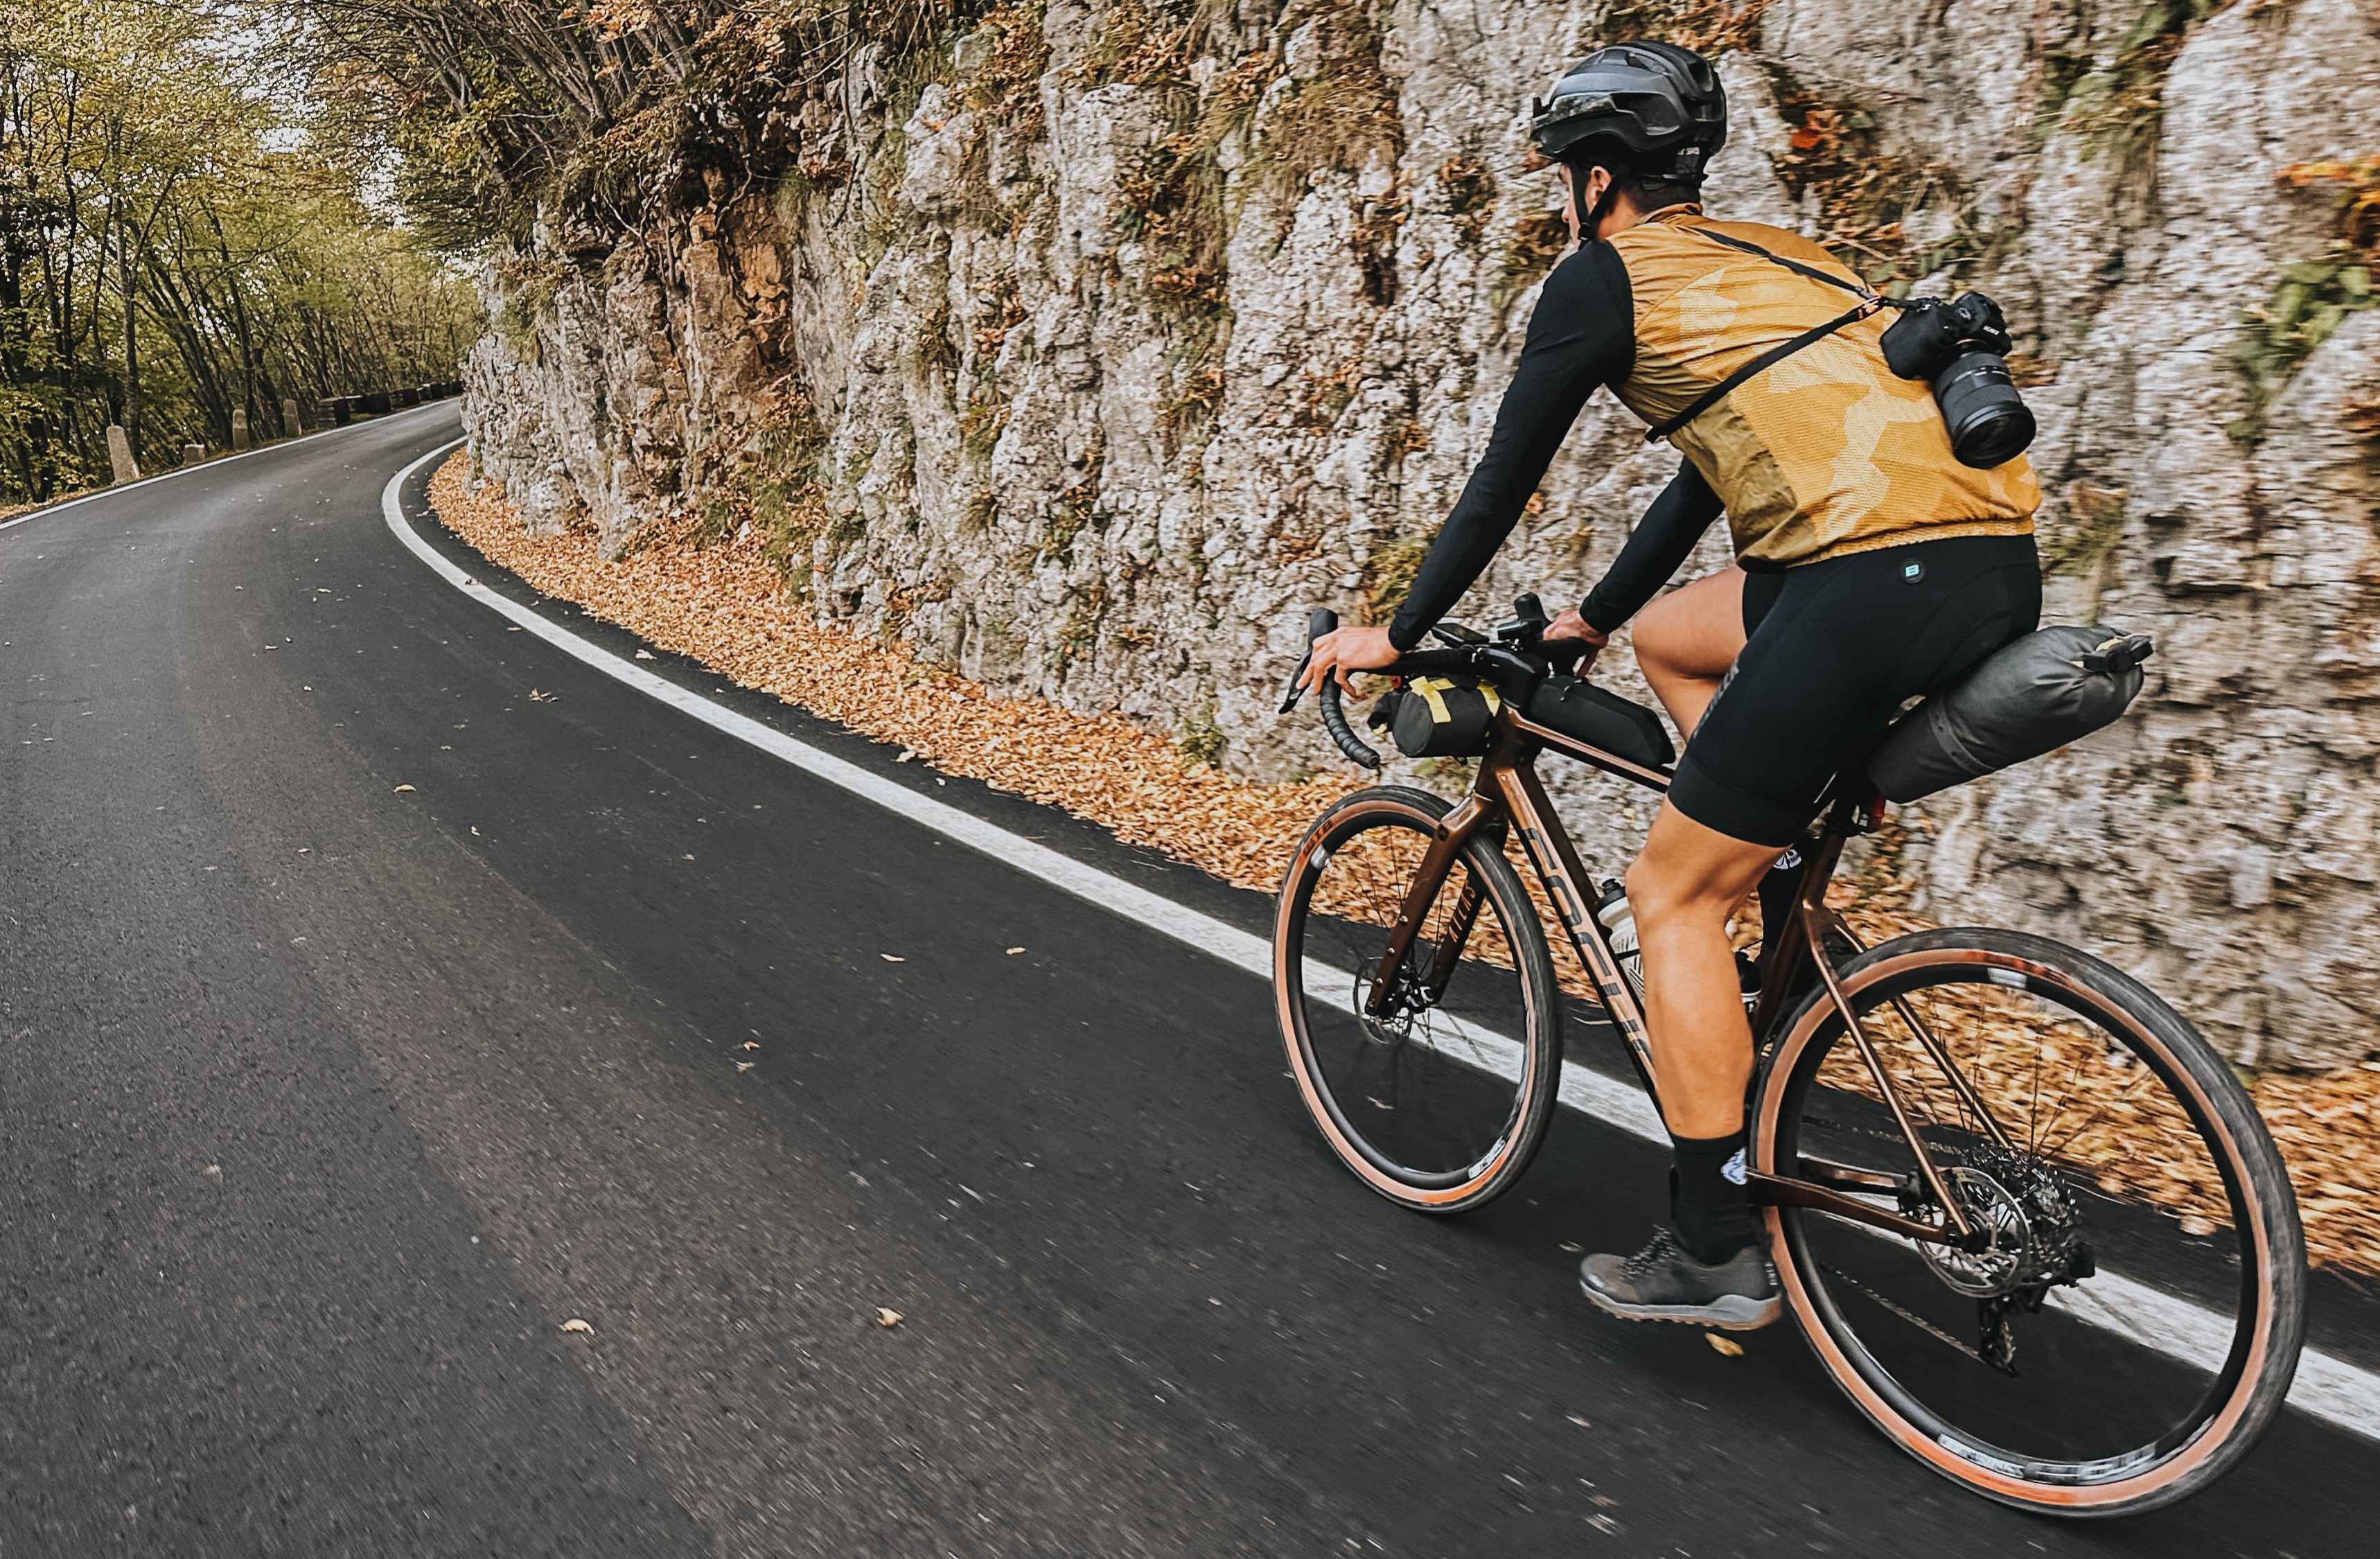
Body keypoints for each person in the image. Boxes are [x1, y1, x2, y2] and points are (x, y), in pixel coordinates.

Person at [1297, 41, 2042, 1329]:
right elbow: (1712, 472)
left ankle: (1712, 1248)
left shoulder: (1603, 280)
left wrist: (1399, 630)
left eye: (1562, 179)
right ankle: (1779, 833)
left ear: (1593, 180)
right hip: (1984, 564)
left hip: (1862, 583)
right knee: (1676, 642)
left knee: (1669, 892)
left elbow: (1504, 476)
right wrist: (1593, 617)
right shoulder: (1787, 262)